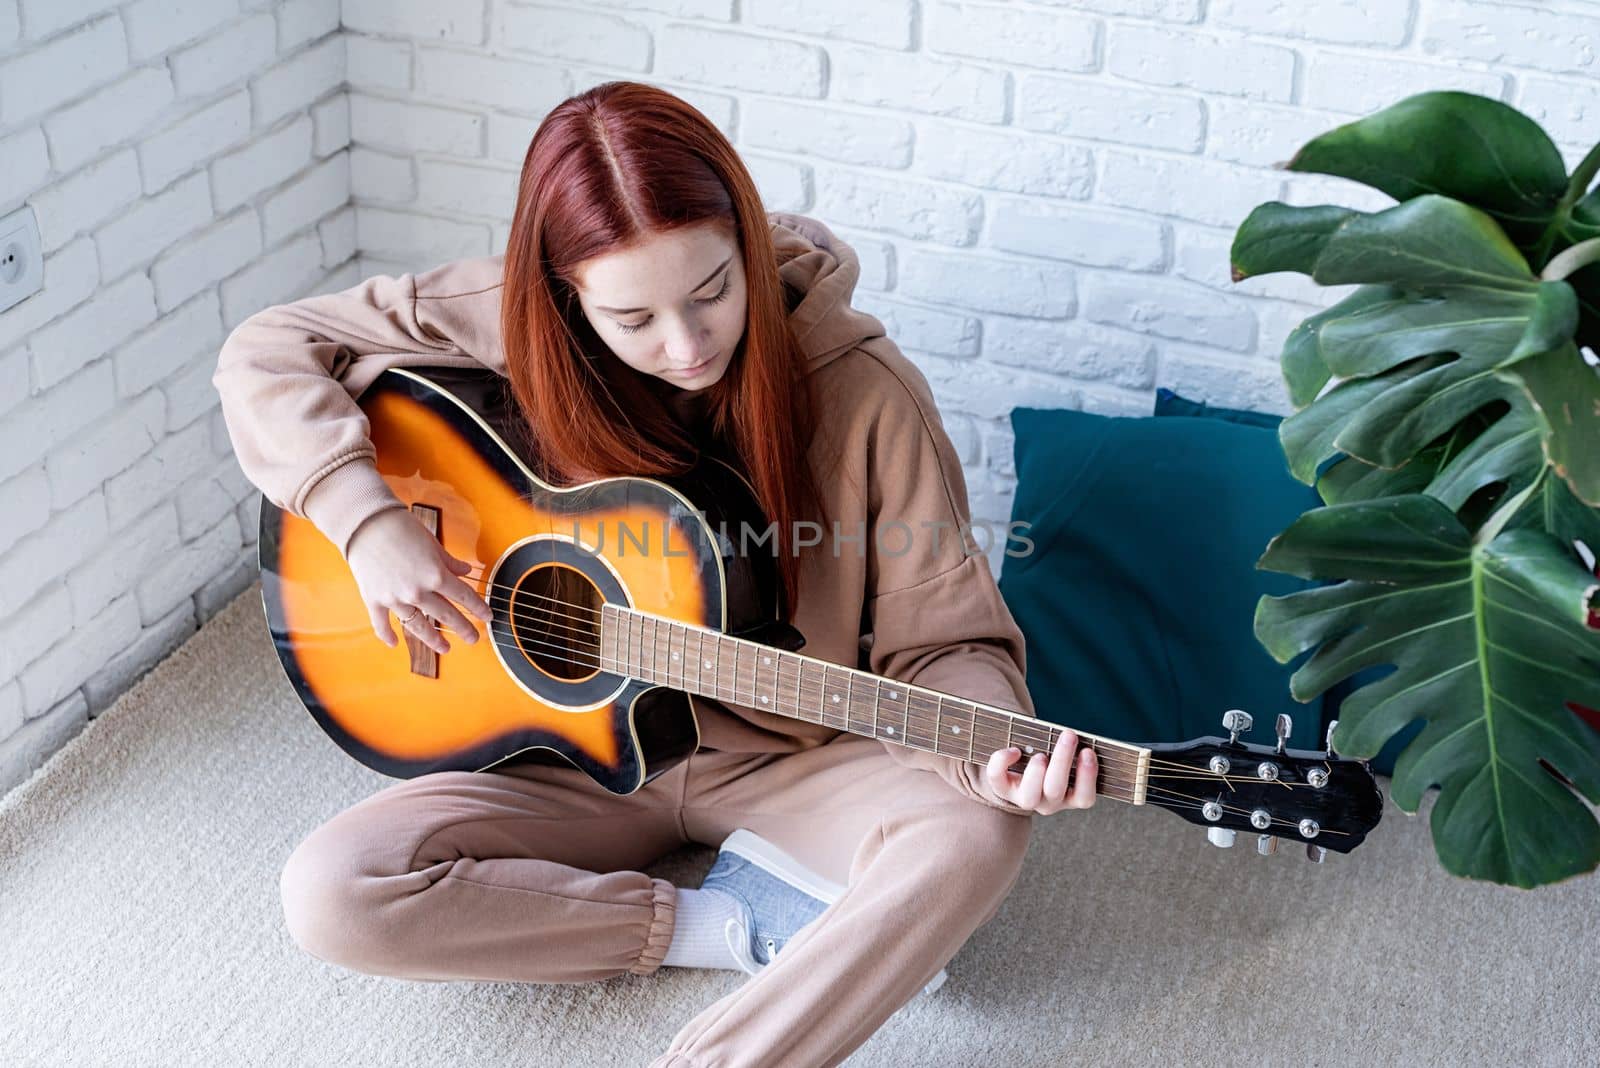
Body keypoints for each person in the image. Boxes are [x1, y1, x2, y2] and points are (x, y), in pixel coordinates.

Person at [212, 80, 1096, 1068]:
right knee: (335, 893)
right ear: (562, 298)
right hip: (568, 755)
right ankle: (719, 925)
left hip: (794, 755)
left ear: (748, 250)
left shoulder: (865, 394)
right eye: (632, 318)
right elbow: (267, 352)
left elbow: (947, 642)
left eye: (714, 291)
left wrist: (995, 745)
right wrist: (365, 521)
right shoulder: (500, 320)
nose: (686, 345)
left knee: (973, 834)